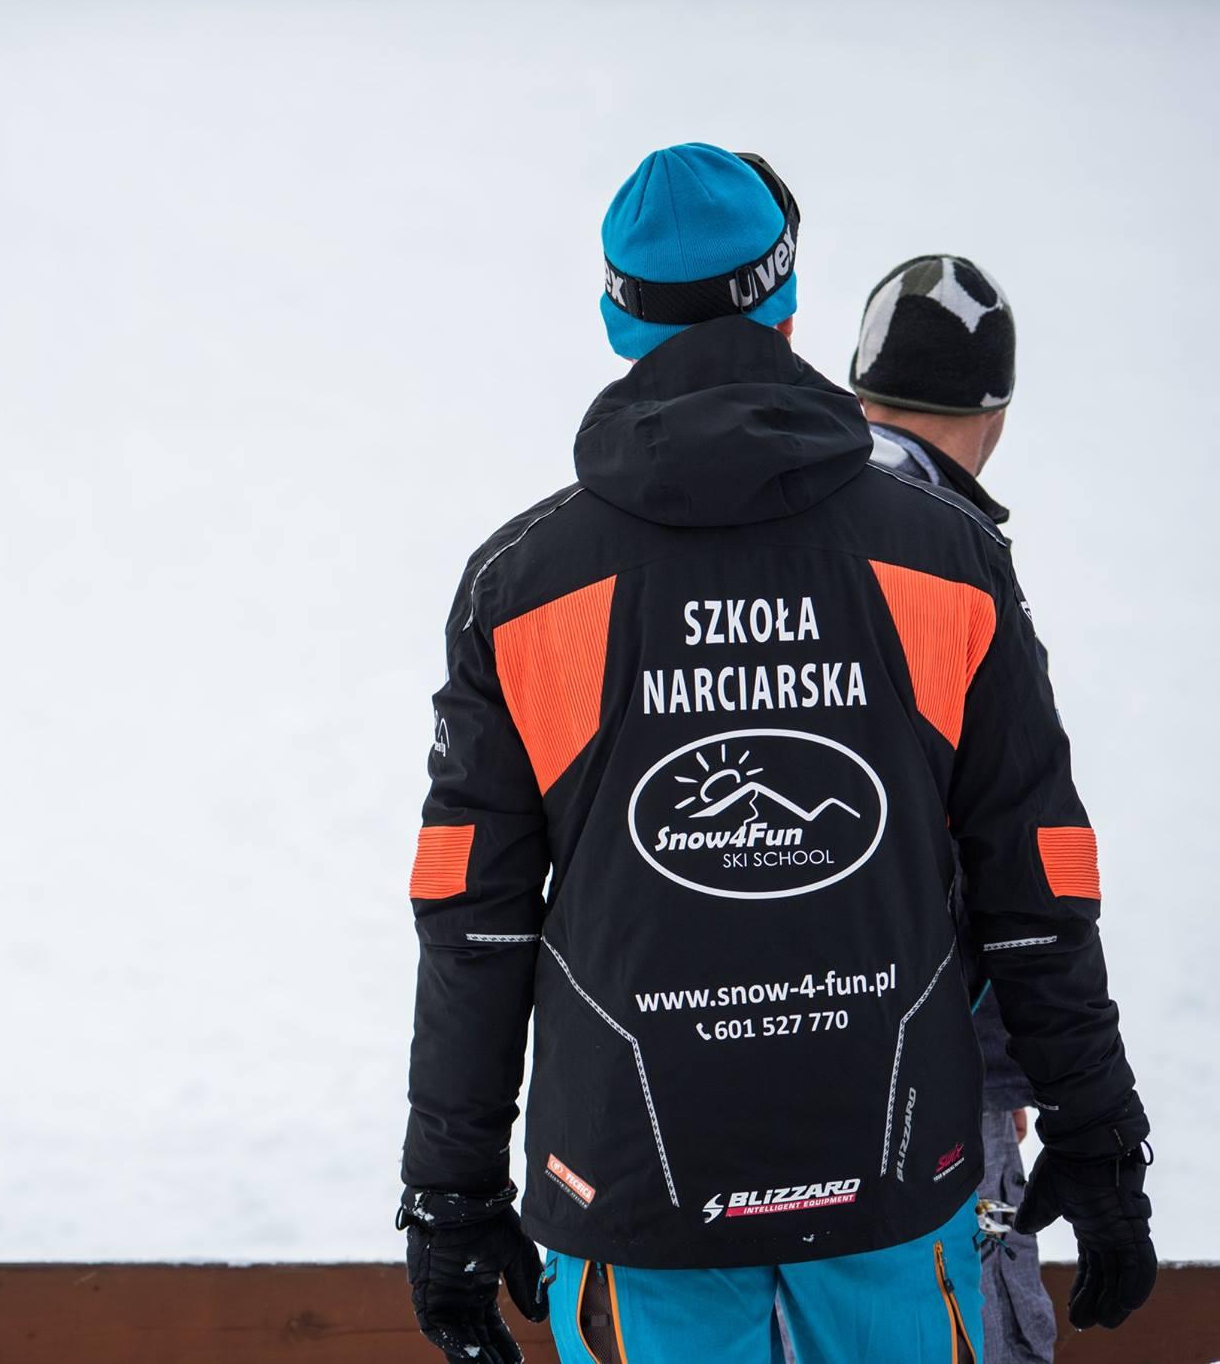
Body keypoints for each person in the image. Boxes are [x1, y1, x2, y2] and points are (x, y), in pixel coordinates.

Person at [397, 144, 1154, 1364]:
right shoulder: (943, 555)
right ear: (785, 301)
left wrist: (449, 1187)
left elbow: (470, 918)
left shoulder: (521, 585)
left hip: (631, 1192)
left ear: (616, 316)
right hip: (895, 1175)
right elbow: (1036, 871)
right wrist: (1096, 1125)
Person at [849, 254, 1055, 1362]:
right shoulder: (957, 556)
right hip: (933, 1073)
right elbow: (1010, 844)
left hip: (755, 1069)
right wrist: (1015, 1062)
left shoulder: (790, 525)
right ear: (995, 414)